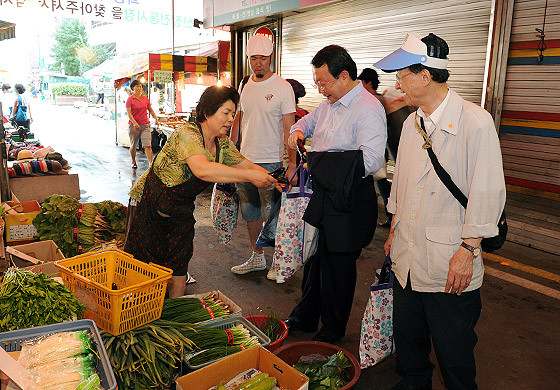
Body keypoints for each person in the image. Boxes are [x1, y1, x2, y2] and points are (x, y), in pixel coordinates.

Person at [375, 33, 506, 390]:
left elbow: (488, 192)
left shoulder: (474, 122)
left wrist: (468, 250)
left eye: (401, 75)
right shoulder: (410, 123)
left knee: (455, 354)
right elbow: (400, 182)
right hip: (407, 258)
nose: (396, 83)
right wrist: (392, 229)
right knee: (411, 346)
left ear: (424, 75)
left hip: (450, 265)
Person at [124, 86, 277, 298]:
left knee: (179, 260)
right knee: (145, 265)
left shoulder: (222, 143)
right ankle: (140, 311)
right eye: (225, 113)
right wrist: (251, 177)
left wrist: (274, 179)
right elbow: (202, 170)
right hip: (152, 203)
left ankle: (177, 312)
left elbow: (246, 165)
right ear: (207, 112)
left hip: (181, 208)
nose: (231, 119)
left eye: (233, 114)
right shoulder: (188, 134)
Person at [285, 45, 387, 343]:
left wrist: (320, 160)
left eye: (323, 82)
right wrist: (298, 131)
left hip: (349, 199)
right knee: (317, 261)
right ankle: (306, 317)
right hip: (327, 194)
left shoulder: (368, 108)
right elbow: (307, 122)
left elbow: (371, 161)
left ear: (344, 76)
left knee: (338, 269)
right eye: (317, 83)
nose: (320, 88)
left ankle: (332, 329)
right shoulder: (329, 103)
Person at [229, 34, 296, 278]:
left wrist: (292, 165)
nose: (258, 63)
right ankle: (257, 257)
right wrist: (230, 150)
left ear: (271, 58)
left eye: (262, 58)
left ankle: (280, 262)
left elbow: (290, 129)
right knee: (250, 213)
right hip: (244, 161)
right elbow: (239, 118)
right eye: (253, 58)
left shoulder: (282, 87)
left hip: (272, 162)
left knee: (274, 217)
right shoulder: (245, 84)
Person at [358, 67, 393, 228]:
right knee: (380, 183)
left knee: (377, 184)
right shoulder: (380, 98)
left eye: (362, 82)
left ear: (368, 82)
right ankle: (390, 216)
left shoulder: (373, 100)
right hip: (378, 148)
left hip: (374, 149)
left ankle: (389, 216)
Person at [126, 79, 159, 167]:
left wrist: (156, 118)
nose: (139, 88)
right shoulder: (130, 99)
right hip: (133, 126)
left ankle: (150, 164)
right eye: (137, 86)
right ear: (133, 88)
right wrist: (135, 123)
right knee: (133, 145)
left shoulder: (145, 98)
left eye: (140, 87)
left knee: (148, 145)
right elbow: (129, 113)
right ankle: (133, 161)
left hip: (145, 125)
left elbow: (150, 110)